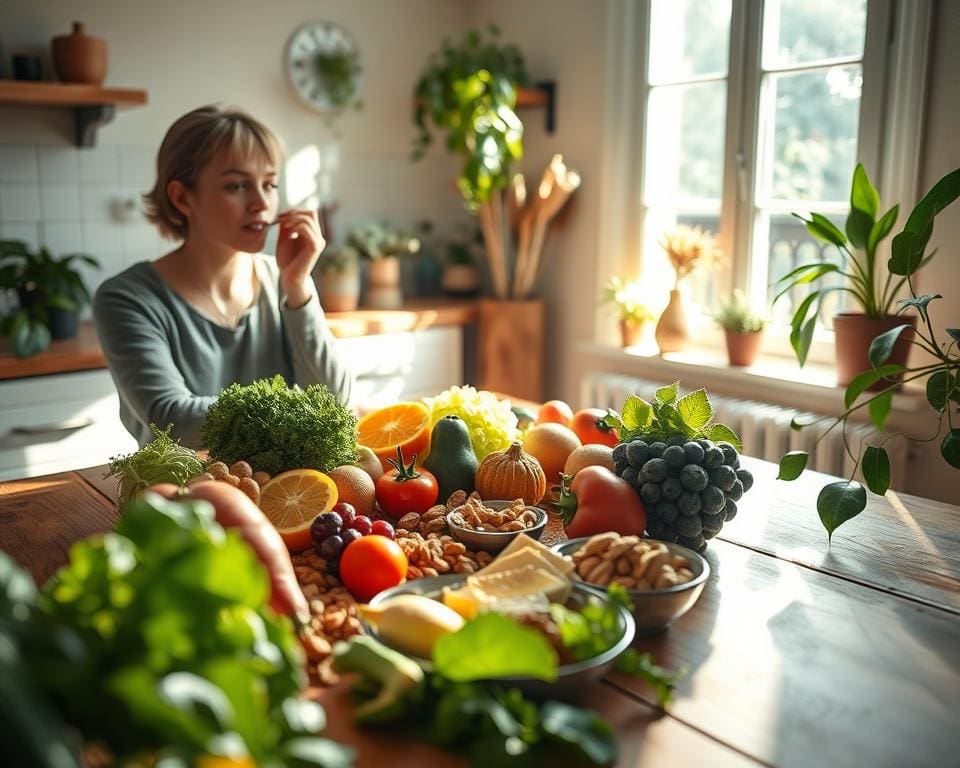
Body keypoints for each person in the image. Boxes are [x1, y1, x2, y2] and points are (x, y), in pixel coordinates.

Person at [94, 105, 353, 448]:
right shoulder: (126, 299)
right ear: (183, 197)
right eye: (236, 186)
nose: (262, 203)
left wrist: (298, 287)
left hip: (283, 491)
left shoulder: (284, 280)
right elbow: (172, 419)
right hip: (181, 496)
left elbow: (337, 404)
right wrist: (302, 411)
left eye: (270, 184)